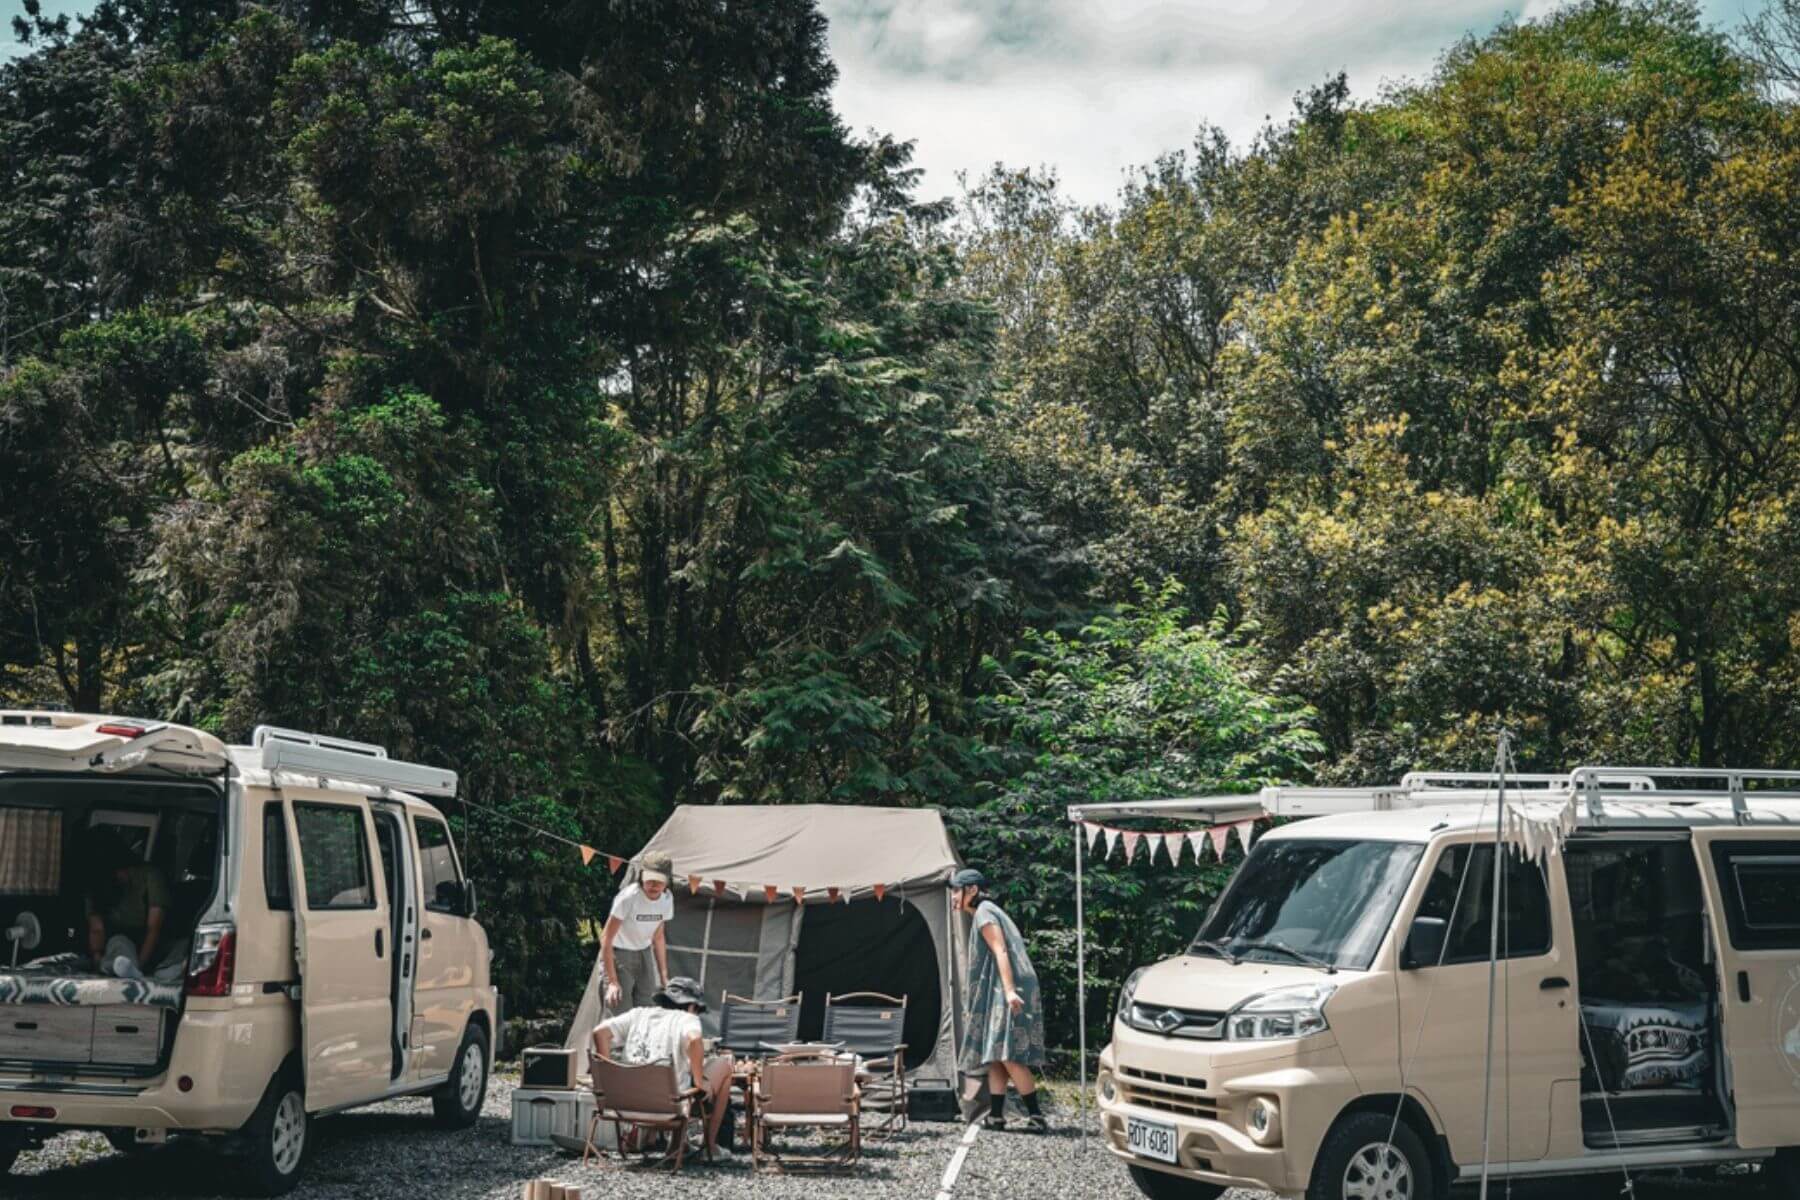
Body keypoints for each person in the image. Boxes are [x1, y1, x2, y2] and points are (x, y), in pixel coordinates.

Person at [591, 976, 735, 1157]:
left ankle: (677, 1145)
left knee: (677, 1075)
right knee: (724, 1066)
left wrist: (607, 1076)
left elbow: (599, 1033)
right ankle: (710, 1146)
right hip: (668, 1108)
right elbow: (695, 1039)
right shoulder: (686, 1019)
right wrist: (699, 1082)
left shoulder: (638, 1014)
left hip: (625, 1104)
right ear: (692, 1006)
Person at [953, 867, 1048, 1132]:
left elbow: (1000, 950)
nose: (953, 896)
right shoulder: (986, 912)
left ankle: (1036, 1116)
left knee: (1008, 1054)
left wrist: (1008, 990)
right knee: (995, 1051)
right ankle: (996, 1116)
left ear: (971, 890)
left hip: (1006, 987)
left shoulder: (984, 913)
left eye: (956, 890)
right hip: (999, 988)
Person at [84, 831, 172, 981]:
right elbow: (96, 929)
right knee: (119, 943)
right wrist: (97, 960)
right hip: (119, 943)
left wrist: (139, 967)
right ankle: (114, 966)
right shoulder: (96, 884)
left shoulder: (150, 876)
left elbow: (154, 929)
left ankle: (138, 968)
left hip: (150, 943)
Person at [602, 852, 674, 1017]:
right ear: (642, 877)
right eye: (649, 879)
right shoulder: (628, 898)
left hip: (643, 953)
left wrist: (664, 975)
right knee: (620, 1008)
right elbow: (606, 938)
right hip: (618, 953)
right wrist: (612, 981)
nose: (653, 885)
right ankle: (618, 1044)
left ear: (667, 881)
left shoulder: (667, 900)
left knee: (647, 1009)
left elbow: (658, 936)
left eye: (659, 880)